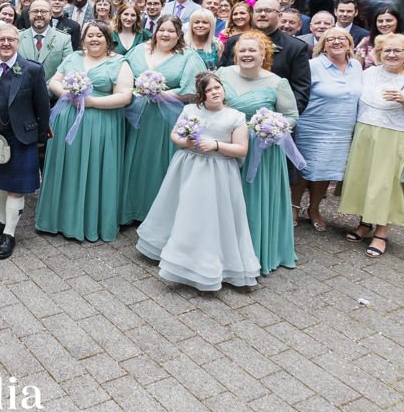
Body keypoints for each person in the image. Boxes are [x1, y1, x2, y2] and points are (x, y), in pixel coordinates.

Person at [134, 72, 260, 292]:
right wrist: (187, 142)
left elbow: (242, 149)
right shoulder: (191, 110)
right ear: (201, 95)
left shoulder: (235, 116)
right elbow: (175, 135)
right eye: (209, 90)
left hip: (219, 171)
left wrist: (216, 145)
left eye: (217, 88)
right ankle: (177, 256)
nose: (214, 92)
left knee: (212, 215)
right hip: (189, 166)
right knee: (184, 210)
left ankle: (213, 263)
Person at [338, 34, 404, 258]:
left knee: (386, 184)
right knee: (364, 179)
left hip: (395, 136)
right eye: (386, 51)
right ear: (379, 54)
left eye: (397, 51)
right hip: (365, 131)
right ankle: (364, 223)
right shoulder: (369, 73)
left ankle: (381, 232)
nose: (391, 55)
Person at [37, 22, 133, 242]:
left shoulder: (119, 63)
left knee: (94, 169)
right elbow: (54, 81)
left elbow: (124, 96)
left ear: (108, 40)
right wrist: (69, 95)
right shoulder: (73, 58)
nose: (94, 39)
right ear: (83, 39)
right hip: (67, 119)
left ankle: (89, 221)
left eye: (99, 35)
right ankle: (58, 219)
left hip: (100, 122)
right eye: (90, 35)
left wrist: (91, 103)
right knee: (67, 167)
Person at [216, 32, 298, 275]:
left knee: (251, 199)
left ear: (264, 55)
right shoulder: (222, 74)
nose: (247, 55)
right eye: (243, 51)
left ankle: (253, 251)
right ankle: (221, 250)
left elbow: (292, 116)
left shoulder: (277, 82)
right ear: (235, 54)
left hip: (260, 151)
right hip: (226, 144)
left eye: (254, 51)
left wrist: (272, 128)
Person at [0, 24, 49, 259]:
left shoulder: (31, 69)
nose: (5, 43)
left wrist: (41, 136)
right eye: (1, 39)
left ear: (18, 42)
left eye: (10, 40)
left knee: (16, 188)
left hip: (20, 135)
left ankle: (9, 233)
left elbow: (43, 105)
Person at [120, 17, 206, 224]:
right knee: (134, 160)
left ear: (179, 35)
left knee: (159, 162)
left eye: (171, 31)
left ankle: (158, 214)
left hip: (166, 117)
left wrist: (160, 93)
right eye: (162, 30)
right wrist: (139, 90)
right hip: (135, 115)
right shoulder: (139, 50)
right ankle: (130, 208)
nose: (165, 35)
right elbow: (124, 76)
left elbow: (192, 90)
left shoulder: (188, 56)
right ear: (155, 31)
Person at [291, 28, 361, 233]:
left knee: (326, 170)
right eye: (330, 39)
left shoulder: (356, 65)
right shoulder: (312, 65)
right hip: (313, 126)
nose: (337, 42)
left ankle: (314, 209)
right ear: (323, 44)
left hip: (341, 128)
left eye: (342, 38)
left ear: (349, 43)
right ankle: (294, 207)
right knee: (304, 168)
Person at [221, 0, 312, 111]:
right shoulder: (234, 42)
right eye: (258, 11)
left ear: (279, 16)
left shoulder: (295, 47)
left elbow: (300, 91)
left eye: (268, 11)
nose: (262, 14)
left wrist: (276, 122)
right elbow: (221, 79)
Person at [354, 8, 404, 72]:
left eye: (389, 20)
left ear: (397, 21)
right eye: (380, 21)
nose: (384, 24)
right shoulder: (366, 42)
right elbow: (356, 69)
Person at [18, 0, 72, 82]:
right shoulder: (17, 38)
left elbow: (67, 69)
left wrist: (47, 89)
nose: (39, 15)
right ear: (29, 14)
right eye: (35, 11)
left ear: (50, 15)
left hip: (52, 91)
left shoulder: (64, 39)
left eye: (43, 11)